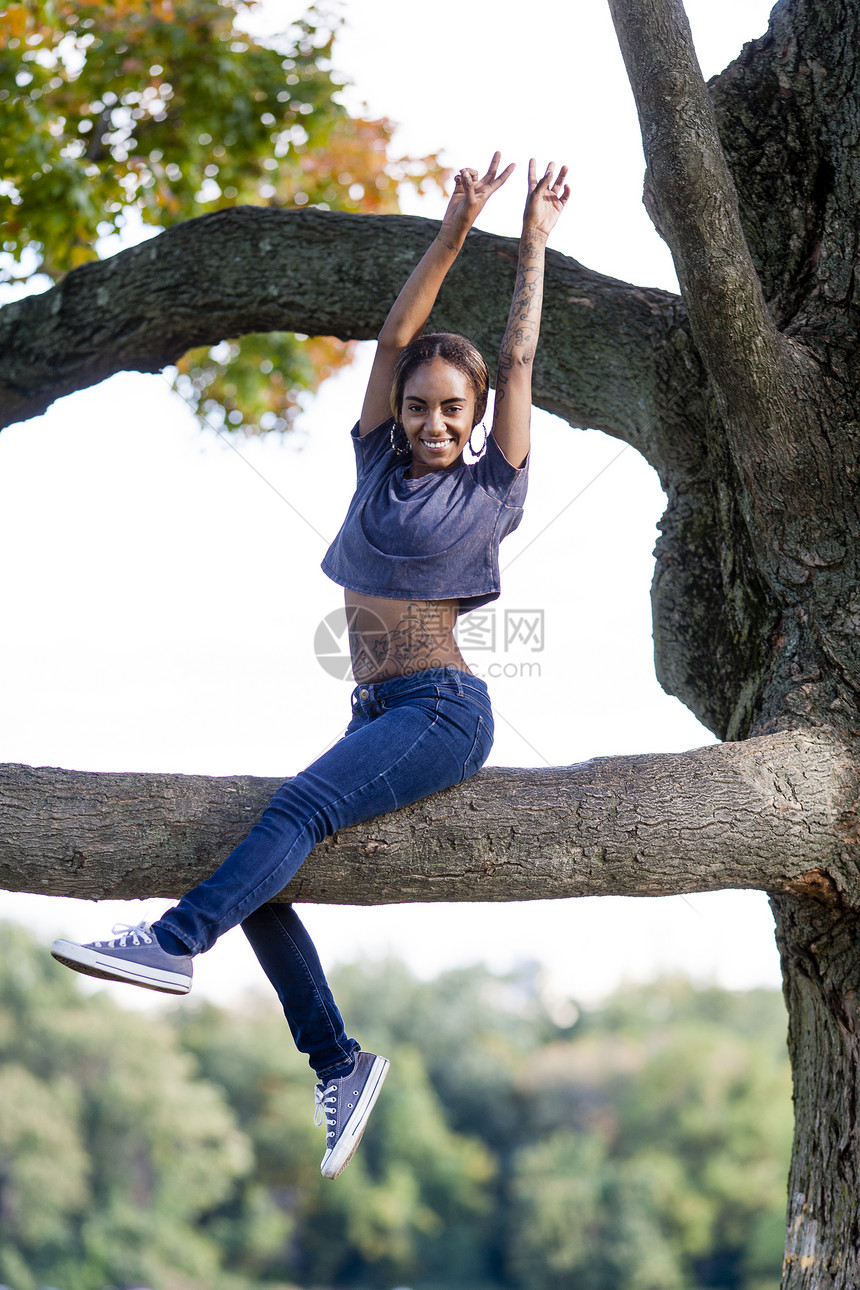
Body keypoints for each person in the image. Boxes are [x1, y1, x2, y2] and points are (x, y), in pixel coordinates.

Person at [51, 153, 570, 1180]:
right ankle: (337, 1062)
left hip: (441, 710)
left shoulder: (491, 492)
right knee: (268, 868)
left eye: (448, 412)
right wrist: (454, 226)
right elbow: (389, 335)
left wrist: (532, 242)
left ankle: (172, 942)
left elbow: (515, 362)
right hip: (375, 709)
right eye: (420, 405)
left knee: (289, 819)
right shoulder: (376, 459)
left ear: (473, 426)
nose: (430, 422)